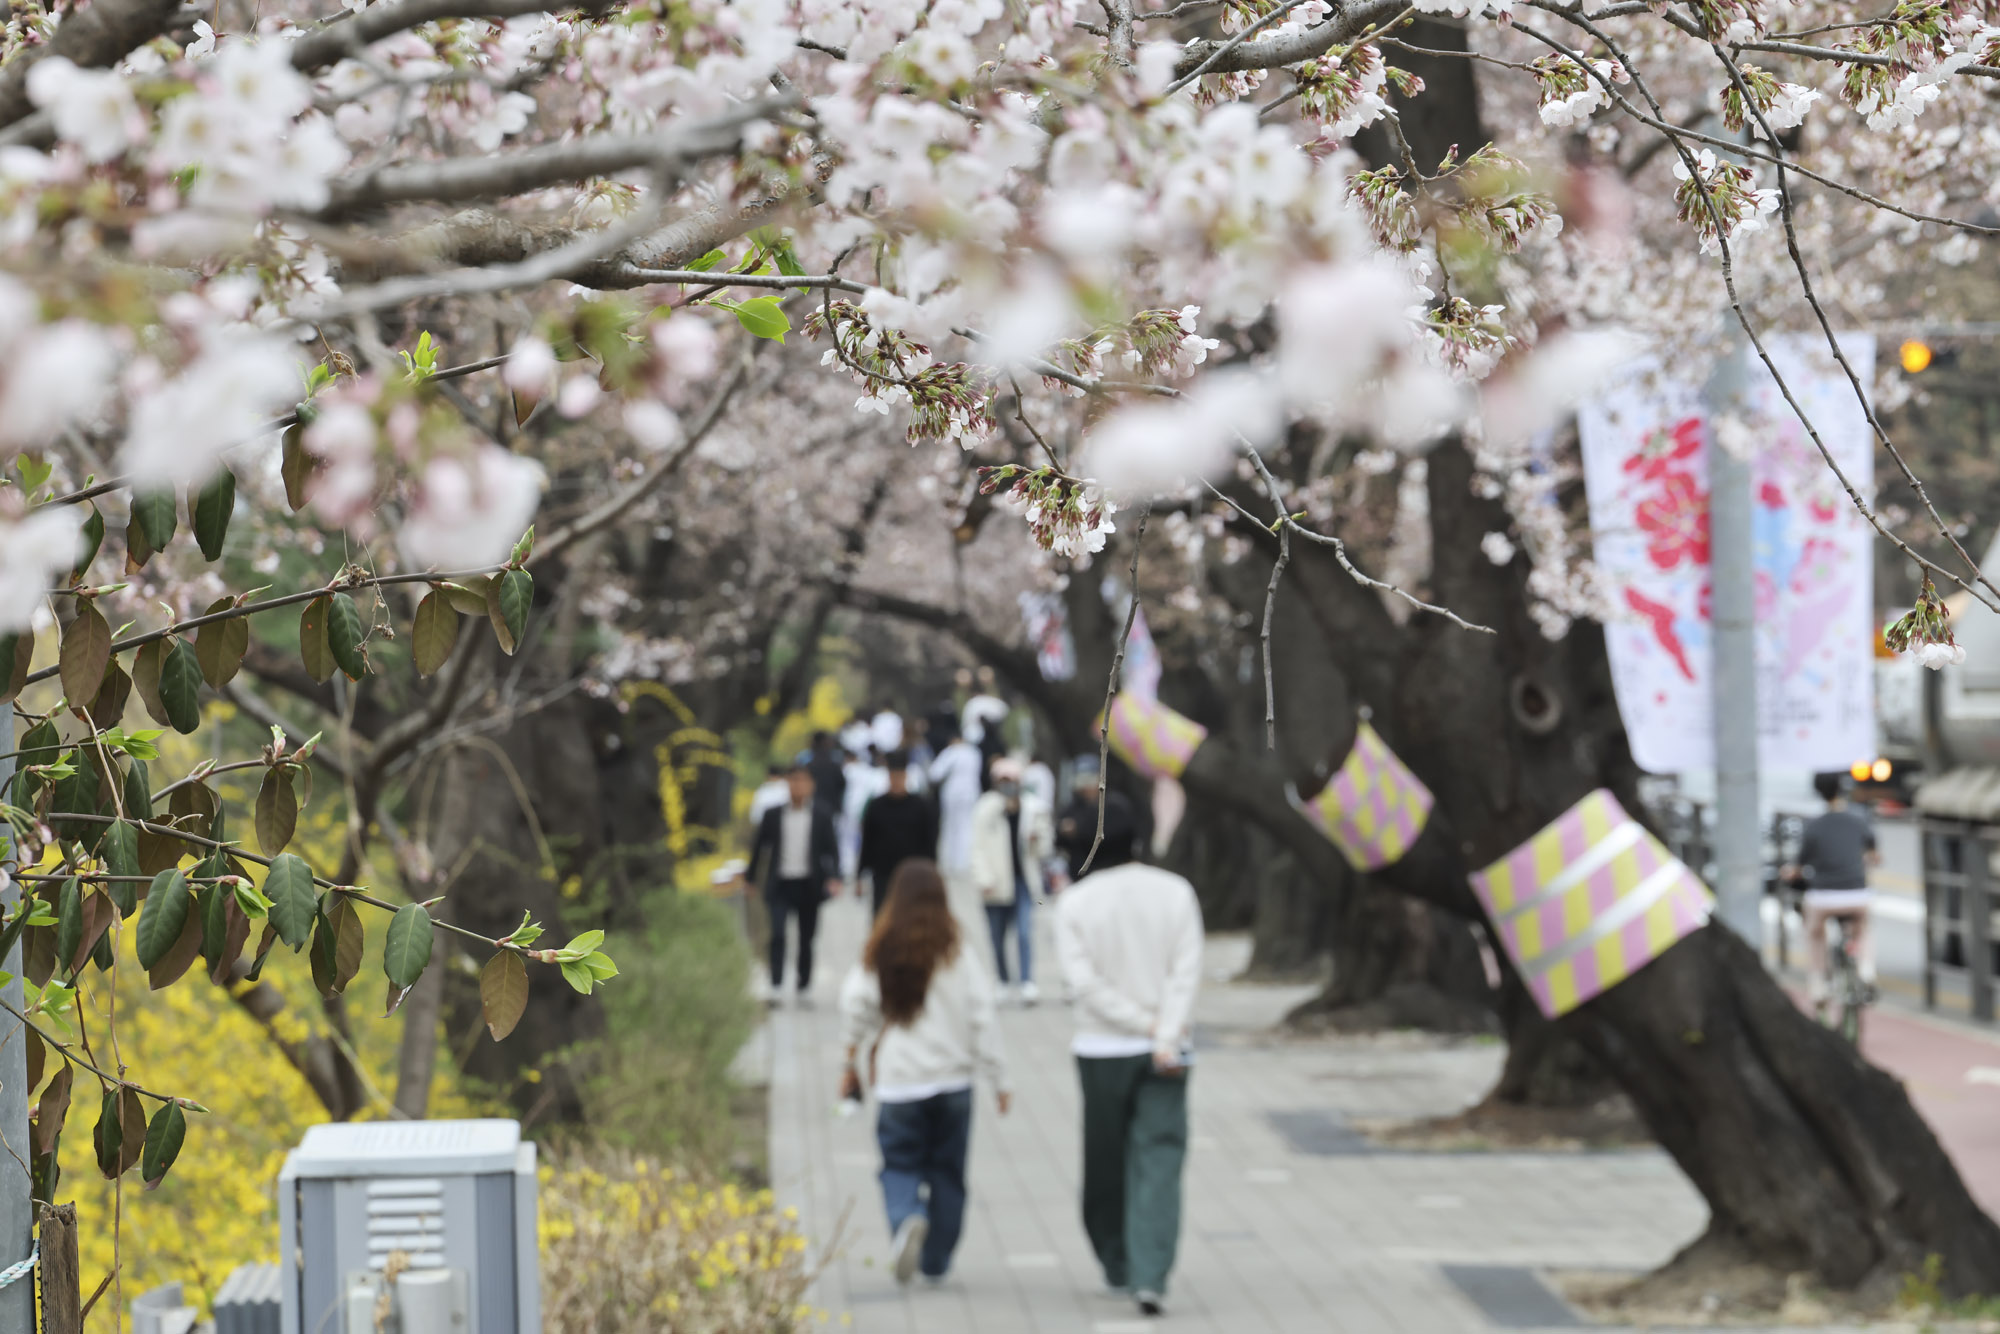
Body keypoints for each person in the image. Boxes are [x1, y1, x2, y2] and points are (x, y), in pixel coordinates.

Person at [1054, 808, 1202, 1319]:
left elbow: (1084, 985)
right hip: (1168, 1051)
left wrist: (1139, 1024)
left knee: (1106, 1160)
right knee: (1159, 1159)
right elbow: (1186, 973)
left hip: (1102, 1049)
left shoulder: (1075, 903)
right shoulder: (1177, 892)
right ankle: (1151, 1272)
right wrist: (1162, 1030)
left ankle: (1117, 1260)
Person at [839, 861, 1011, 1286]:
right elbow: (982, 1017)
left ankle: (907, 1217)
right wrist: (1000, 1079)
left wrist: (851, 1052)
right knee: (948, 1173)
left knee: (898, 1165)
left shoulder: (881, 949)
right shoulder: (958, 950)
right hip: (953, 1083)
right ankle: (936, 1260)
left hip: (900, 1084)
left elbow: (855, 1002)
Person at [1782, 771, 1881, 1015]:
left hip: (1823, 896)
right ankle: (1866, 969)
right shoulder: (1858, 820)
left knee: (1815, 933)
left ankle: (1818, 985)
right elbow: (1874, 855)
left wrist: (1790, 872)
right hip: (1857, 894)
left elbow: (1797, 866)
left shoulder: (1814, 826)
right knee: (1862, 929)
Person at [748, 767, 842, 1005]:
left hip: (809, 884)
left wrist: (835, 877)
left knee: (806, 938)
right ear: (786, 784)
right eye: (794, 781)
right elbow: (759, 848)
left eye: (803, 781)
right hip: (780, 884)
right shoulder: (772, 815)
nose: (798, 786)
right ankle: (776, 985)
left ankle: (803, 986)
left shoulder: (821, 814)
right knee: (778, 934)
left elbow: (831, 850)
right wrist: (750, 879)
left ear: (812, 785)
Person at [969, 757, 1054, 1003]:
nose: (1008, 785)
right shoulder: (985, 808)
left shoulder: (1034, 808)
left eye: (1013, 780)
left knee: (1025, 933)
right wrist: (983, 878)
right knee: (997, 936)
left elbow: (1045, 849)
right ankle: (1003, 980)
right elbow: (977, 848)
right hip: (994, 884)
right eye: (1003, 780)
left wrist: (1037, 840)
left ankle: (1027, 981)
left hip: (1023, 882)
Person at [859, 752, 938, 916]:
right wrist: (860, 874)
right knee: (882, 917)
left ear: (906, 777)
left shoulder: (921, 806)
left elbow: (930, 840)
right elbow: (867, 841)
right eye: (893, 777)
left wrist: (932, 871)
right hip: (883, 874)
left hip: (914, 875)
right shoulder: (876, 806)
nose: (896, 781)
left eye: (900, 777)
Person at [1055, 758, 1136, 881]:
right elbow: (1059, 838)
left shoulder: (1116, 805)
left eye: (1089, 780)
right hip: (1083, 878)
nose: (1086, 787)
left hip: (1114, 873)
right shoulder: (1072, 809)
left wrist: (1080, 830)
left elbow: (1123, 833)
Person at [928, 713, 984, 876]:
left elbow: (934, 773)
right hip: (971, 792)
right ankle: (965, 862)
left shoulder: (951, 752)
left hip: (953, 794)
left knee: (951, 827)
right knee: (967, 826)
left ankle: (952, 862)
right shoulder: (974, 752)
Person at [805, 731, 848, 815]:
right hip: (831, 807)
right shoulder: (834, 765)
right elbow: (842, 784)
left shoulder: (807, 765)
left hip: (813, 808)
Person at [747, 763, 790, 828]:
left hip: (777, 826)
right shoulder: (763, 790)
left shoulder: (763, 790)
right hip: (769, 825)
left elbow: (755, 815)